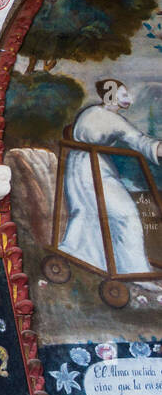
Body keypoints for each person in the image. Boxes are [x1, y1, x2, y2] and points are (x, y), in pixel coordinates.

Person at [57, 79, 162, 283]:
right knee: (126, 215)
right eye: (123, 95)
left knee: (88, 212)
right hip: (92, 171)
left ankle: (92, 257)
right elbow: (140, 141)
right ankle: (135, 272)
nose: (128, 99)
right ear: (109, 96)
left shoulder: (94, 113)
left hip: (83, 167)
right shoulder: (107, 118)